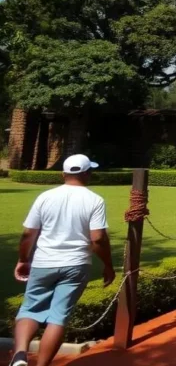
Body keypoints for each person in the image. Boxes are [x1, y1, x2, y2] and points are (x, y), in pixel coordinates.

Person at [10, 154, 115, 366]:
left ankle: (20, 354)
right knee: (58, 317)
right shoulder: (95, 200)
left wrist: (23, 259)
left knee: (30, 309)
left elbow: (28, 234)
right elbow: (98, 238)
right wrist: (108, 265)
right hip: (76, 263)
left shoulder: (45, 197)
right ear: (87, 174)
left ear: (63, 174)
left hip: (44, 261)